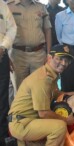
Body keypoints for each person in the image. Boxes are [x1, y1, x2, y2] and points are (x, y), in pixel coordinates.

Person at [8, 45, 74, 145]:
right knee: (59, 127)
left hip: (29, 120)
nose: (64, 63)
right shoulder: (42, 79)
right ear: (49, 57)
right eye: (59, 58)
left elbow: (56, 94)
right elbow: (43, 113)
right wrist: (66, 120)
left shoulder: (51, 75)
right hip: (22, 123)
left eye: (67, 60)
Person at [8, 0, 52, 94]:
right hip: (17, 55)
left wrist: (48, 54)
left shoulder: (41, 7)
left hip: (39, 55)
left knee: (40, 89)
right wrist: (6, 57)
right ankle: (21, 109)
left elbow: (47, 30)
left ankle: (38, 109)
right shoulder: (9, 7)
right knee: (19, 90)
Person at [0, 0, 17, 145]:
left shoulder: (2, 5)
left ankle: (2, 135)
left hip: (1, 55)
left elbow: (12, 28)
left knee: (3, 98)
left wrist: (2, 47)